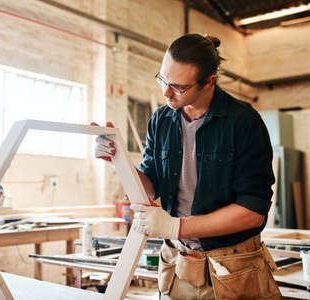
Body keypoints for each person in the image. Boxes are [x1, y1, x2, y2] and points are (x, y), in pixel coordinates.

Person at [93, 33, 281, 300]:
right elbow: (150, 187)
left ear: (209, 82)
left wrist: (176, 227)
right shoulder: (161, 119)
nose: (167, 92)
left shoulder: (243, 121)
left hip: (233, 264)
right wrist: (118, 160)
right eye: (163, 80)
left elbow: (252, 212)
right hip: (179, 259)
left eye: (179, 87)